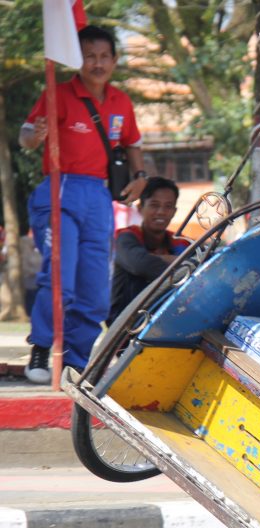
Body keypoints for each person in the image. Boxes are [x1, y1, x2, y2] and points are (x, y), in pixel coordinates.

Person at [20, 25, 147, 383]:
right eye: (90, 56)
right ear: (78, 60)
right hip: (61, 189)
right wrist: (35, 135)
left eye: (104, 56)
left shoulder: (121, 101)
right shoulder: (58, 93)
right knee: (60, 275)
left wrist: (141, 176)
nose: (97, 63)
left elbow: (132, 142)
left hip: (99, 196)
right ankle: (42, 351)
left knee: (94, 288)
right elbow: (26, 135)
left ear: (115, 60)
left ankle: (75, 361)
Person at [108, 177, 190, 323]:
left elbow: (202, 264)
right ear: (140, 208)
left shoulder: (181, 242)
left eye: (168, 206)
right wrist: (175, 261)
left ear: (174, 211)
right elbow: (141, 265)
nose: (161, 212)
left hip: (165, 323)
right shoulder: (125, 237)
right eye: (154, 205)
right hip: (126, 327)